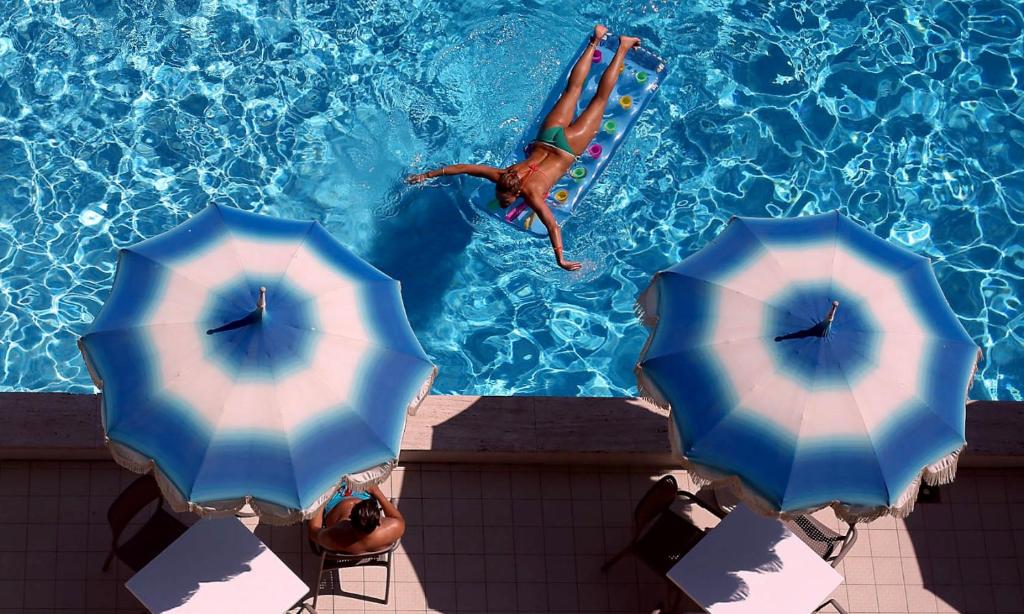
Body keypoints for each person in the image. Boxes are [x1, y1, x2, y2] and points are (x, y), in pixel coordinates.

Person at [407, 25, 642, 271]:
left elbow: (552, 226)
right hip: (547, 136)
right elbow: (464, 168)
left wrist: (560, 258)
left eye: (504, 200)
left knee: (599, 99)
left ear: (515, 194)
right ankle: (595, 39)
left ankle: (623, 46)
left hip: (569, 147)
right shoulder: (499, 174)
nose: (503, 203)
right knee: (572, 90)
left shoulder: (531, 194)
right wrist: (426, 175)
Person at [307, 483, 404, 554]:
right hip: (363, 493)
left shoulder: (336, 537)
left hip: (332, 498)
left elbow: (313, 531)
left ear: (350, 519)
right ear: (378, 521)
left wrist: (319, 498)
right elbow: (396, 517)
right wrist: (376, 491)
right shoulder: (393, 528)